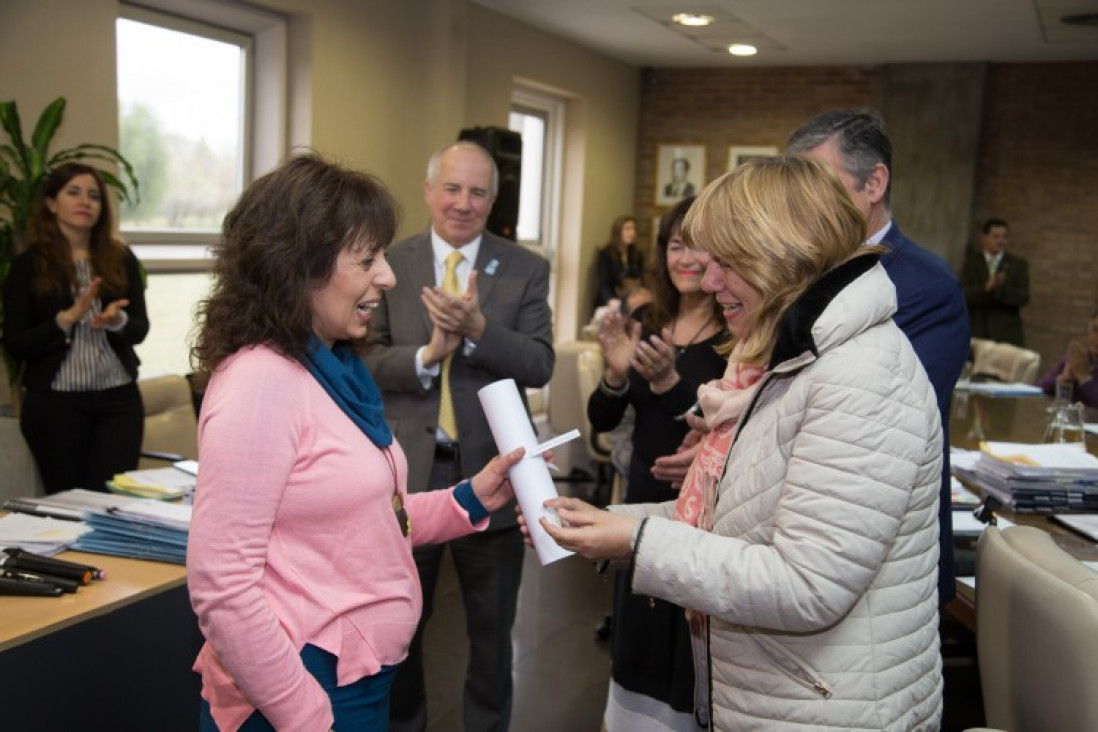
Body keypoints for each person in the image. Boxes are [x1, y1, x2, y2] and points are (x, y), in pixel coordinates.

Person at [527, 155, 945, 730]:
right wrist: (603, 524)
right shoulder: (794, 359)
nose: (709, 278)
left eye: (726, 261)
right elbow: (735, 520)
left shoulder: (859, 376)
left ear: (780, 251)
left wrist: (637, 540)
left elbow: (807, 584)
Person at [186, 152, 525, 731]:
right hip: (304, 690)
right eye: (367, 259)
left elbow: (367, 518)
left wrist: (466, 500)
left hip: (350, 680)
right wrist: (306, 715)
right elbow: (222, 587)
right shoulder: (260, 383)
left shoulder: (329, 368)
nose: (388, 277)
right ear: (300, 268)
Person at [364, 141, 554, 732]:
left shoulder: (524, 267)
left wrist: (479, 330)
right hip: (407, 478)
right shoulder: (390, 263)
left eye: (477, 192)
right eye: (451, 188)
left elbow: (540, 364)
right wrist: (426, 354)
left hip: (492, 476)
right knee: (400, 628)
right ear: (428, 191)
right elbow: (362, 358)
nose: (463, 203)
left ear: (492, 200)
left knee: (492, 634)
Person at [786, 107, 970, 607]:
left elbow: (881, 419)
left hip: (886, 546)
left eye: (820, 188)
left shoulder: (925, 286)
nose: (806, 208)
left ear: (874, 183)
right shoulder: (798, 272)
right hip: (804, 531)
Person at [588, 195, 726, 730]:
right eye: (675, 245)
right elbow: (602, 417)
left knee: (684, 656)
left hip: (701, 514)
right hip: (642, 499)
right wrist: (617, 375)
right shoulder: (647, 319)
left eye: (697, 245)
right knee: (637, 644)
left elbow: (719, 423)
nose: (685, 257)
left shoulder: (736, 332)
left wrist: (670, 383)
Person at [2, 162, 149, 494]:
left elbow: (140, 328)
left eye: (94, 195)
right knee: (68, 501)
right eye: (74, 192)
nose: (86, 202)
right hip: (56, 405)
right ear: (52, 203)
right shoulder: (28, 265)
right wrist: (67, 318)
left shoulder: (120, 257)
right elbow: (15, 342)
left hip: (119, 400)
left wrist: (116, 321)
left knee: (114, 502)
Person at [960, 217, 1030, 346]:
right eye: (996, 237)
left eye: (1004, 237)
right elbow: (963, 295)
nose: (1001, 241)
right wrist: (985, 289)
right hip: (978, 332)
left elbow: (1023, 297)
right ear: (984, 238)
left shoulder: (1017, 265)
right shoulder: (971, 264)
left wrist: (999, 289)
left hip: (1006, 334)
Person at [1036, 308, 1098, 408]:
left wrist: (1084, 378)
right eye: (1095, 330)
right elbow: (1039, 389)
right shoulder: (1079, 359)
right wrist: (1063, 380)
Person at [594, 215, 645, 311]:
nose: (632, 233)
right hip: (610, 301)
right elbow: (603, 284)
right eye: (628, 229)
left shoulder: (637, 255)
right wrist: (610, 300)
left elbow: (642, 279)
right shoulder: (606, 255)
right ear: (618, 232)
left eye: (634, 229)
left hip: (631, 301)